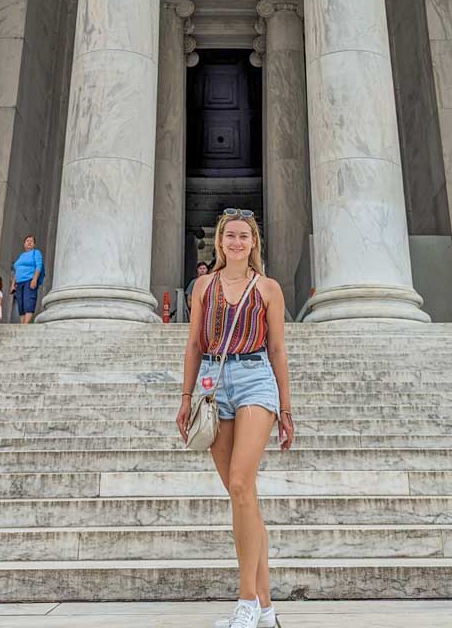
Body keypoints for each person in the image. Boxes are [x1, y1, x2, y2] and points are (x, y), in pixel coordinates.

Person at [176, 210, 294, 628]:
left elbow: (278, 349)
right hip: (213, 383)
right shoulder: (204, 287)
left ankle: (246, 601)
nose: (237, 243)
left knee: (242, 483)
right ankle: (266, 609)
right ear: (220, 242)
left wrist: (286, 405)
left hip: (255, 379)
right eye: (230, 236)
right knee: (242, 498)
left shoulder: (268, 289)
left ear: (254, 243)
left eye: (244, 236)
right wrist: (186, 396)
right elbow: (193, 344)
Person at [10, 235, 44, 324]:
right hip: (19, 282)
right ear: (24, 244)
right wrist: (13, 283)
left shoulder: (36, 253)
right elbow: (17, 270)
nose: (29, 242)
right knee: (20, 304)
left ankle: (25, 324)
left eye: (31, 241)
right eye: (27, 241)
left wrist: (35, 279)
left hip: (29, 280)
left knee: (28, 301)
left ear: (34, 244)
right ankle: (22, 324)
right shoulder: (21, 256)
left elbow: (39, 266)